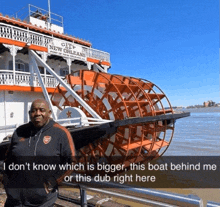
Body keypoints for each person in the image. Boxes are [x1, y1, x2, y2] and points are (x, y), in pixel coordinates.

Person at [3, 99, 75, 207]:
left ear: (49, 113)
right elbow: (8, 160)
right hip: (14, 201)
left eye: (42, 110)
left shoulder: (61, 133)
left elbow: (71, 162)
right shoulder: (19, 132)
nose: (37, 113)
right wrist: (7, 183)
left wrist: (52, 182)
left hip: (42, 202)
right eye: (34, 110)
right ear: (29, 113)